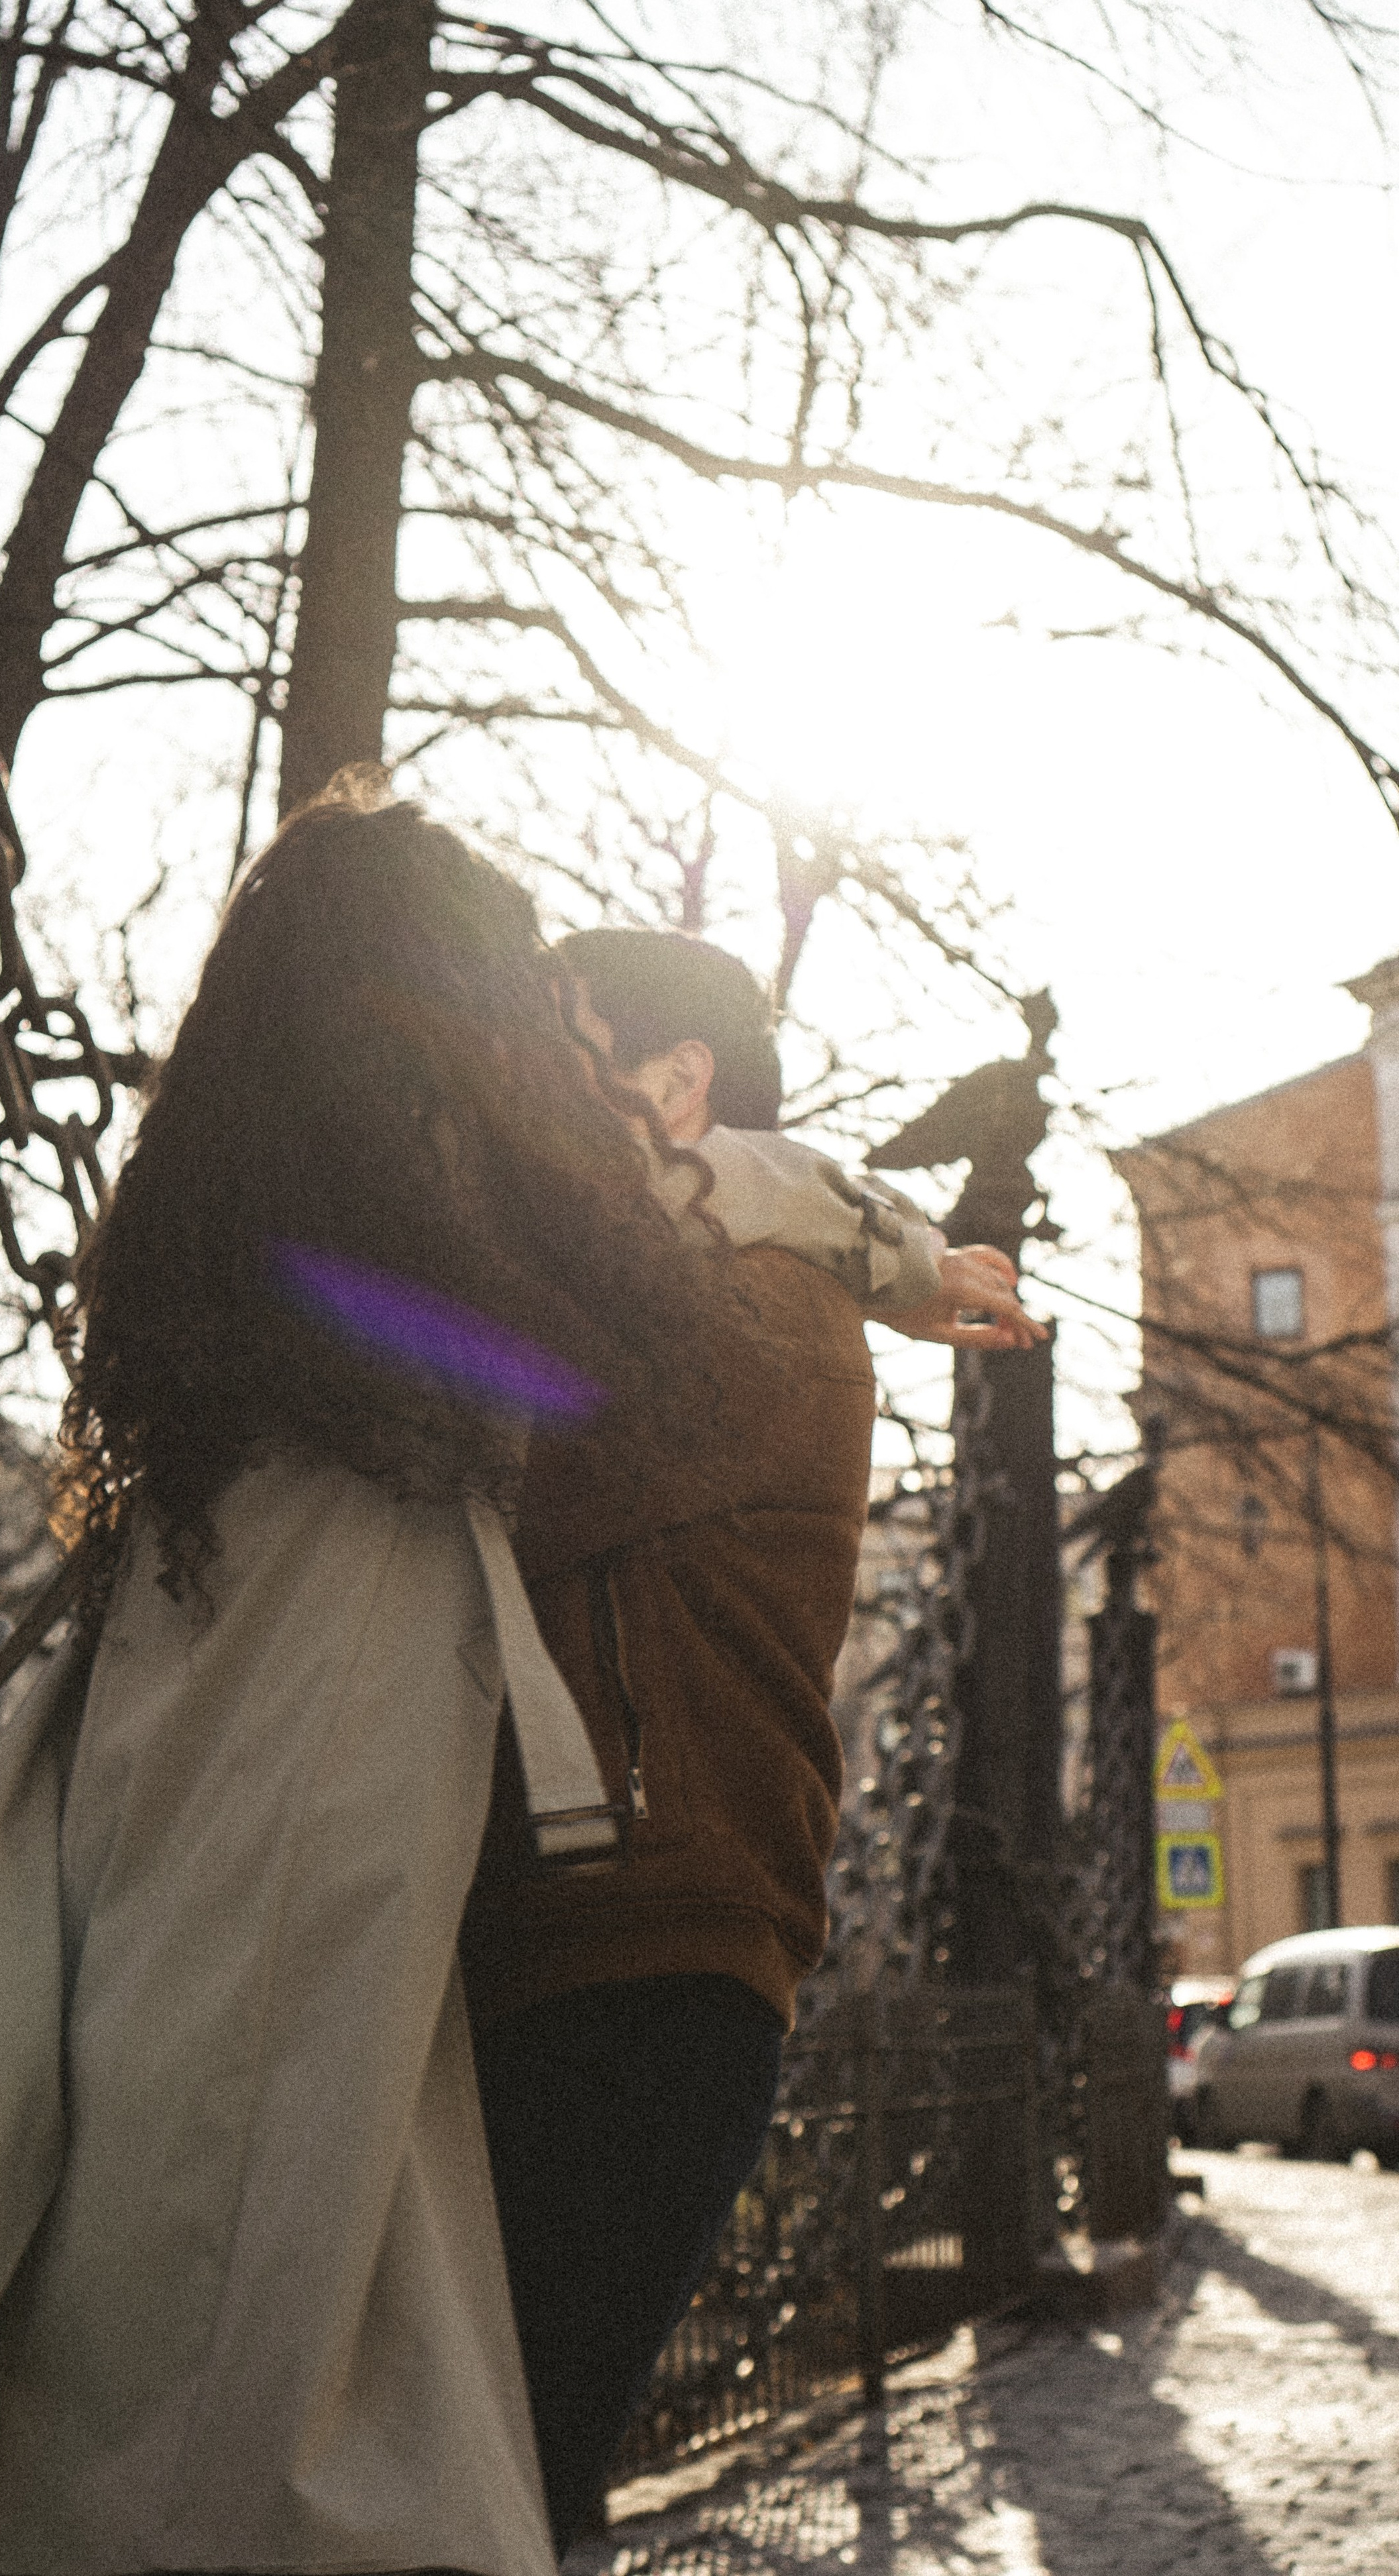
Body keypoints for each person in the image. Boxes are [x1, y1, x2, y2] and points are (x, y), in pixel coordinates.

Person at [0, 788, 773, 2573]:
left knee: (155, 2277)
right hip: (324, 1808)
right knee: (259, 2315)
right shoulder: (443, 1277)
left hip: (184, 1805)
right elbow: (647, 1286)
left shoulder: (235, 1284)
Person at [462, 925, 1044, 2547]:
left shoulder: (755, 1309)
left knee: (499, 2486)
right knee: (489, 2484)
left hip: (639, 1951)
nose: (519, 1087)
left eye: (560, 1045)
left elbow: (494, 1462)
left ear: (675, 1082)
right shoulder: (724, 1267)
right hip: (595, 1935)